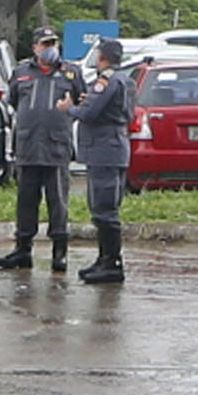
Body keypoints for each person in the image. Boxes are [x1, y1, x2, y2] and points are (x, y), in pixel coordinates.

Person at [0, 36, 80, 272]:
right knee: (26, 200)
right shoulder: (22, 72)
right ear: (35, 47)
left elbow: (80, 102)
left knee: (58, 201)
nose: (49, 49)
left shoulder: (71, 73)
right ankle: (23, 250)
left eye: (53, 44)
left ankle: (59, 252)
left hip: (56, 147)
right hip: (28, 146)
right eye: (45, 44)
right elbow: (13, 101)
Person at [72, 40, 133, 286]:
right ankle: (104, 258)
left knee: (104, 208)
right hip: (113, 149)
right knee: (103, 207)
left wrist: (69, 108)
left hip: (104, 150)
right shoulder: (125, 79)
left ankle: (111, 263)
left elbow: (89, 113)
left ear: (101, 57)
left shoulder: (106, 80)